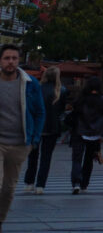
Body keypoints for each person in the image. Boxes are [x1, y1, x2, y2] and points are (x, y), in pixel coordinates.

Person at [0, 46, 44, 233]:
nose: (11, 62)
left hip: (20, 143)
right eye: (7, 58)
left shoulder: (30, 83)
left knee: (8, 189)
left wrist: (34, 140)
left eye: (14, 58)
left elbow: (39, 112)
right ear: (0, 61)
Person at [23, 66, 66, 194]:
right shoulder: (61, 91)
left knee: (32, 156)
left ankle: (29, 182)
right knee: (46, 158)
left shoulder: (37, 89)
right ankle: (40, 185)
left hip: (36, 127)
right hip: (52, 127)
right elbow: (61, 111)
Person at [67, 77, 103, 194]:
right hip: (95, 133)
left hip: (79, 131)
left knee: (77, 158)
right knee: (89, 159)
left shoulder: (81, 99)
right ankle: (84, 183)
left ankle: (76, 182)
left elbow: (75, 112)